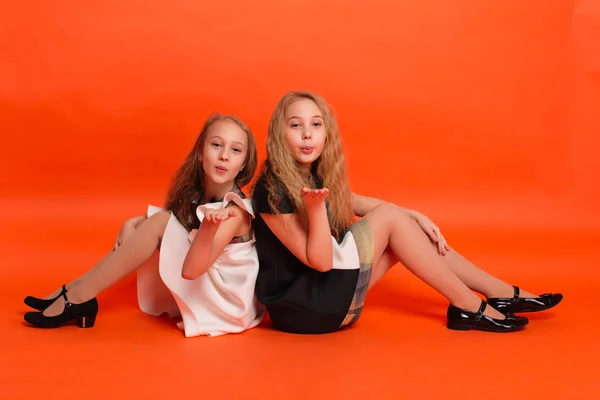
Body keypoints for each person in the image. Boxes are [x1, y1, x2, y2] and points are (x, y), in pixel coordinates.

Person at [251, 90, 562, 334]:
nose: (307, 134)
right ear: (281, 134)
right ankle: (467, 304)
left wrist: (417, 216)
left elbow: (355, 202)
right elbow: (320, 262)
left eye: (316, 124)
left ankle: (500, 292)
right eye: (296, 125)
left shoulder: (314, 176)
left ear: (326, 133)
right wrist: (319, 211)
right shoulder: (271, 188)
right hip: (305, 312)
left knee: (404, 231)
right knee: (391, 220)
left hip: (330, 302)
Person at [24, 113, 265, 337]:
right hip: (206, 282)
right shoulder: (200, 197)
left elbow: (192, 268)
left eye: (235, 150)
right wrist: (137, 221)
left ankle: (79, 296)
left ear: (243, 164)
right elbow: (177, 219)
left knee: (159, 223)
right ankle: (75, 289)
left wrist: (151, 223)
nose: (224, 155)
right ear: (201, 152)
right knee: (157, 221)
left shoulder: (234, 212)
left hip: (227, 304)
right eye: (216, 145)